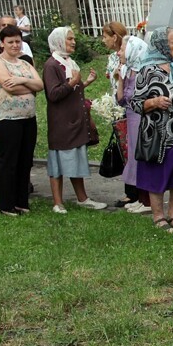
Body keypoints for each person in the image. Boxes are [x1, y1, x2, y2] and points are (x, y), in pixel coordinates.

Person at [129, 27, 173, 233]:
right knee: (157, 174)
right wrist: (155, 102)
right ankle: (158, 217)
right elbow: (135, 103)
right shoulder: (147, 70)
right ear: (161, 45)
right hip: (158, 133)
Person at [43, 26, 107, 214]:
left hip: (75, 120)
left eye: (73, 39)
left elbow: (72, 90)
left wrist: (85, 82)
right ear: (59, 41)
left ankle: (82, 198)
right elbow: (53, 94)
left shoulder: (68, 62)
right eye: (69, 39)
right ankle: (58, 202)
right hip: (61, 122)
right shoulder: (52, 65)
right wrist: (73, 82)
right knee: (58, 160)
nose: (73, 42)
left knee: (77, 158)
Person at [0, 24, 43, 216]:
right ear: (2, 43)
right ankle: (6, 204)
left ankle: (22, 201)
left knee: (25, 160)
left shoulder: (25, 63)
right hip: (7, 118)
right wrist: (28, 85)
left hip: (28, 117)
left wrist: (21, 80)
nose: (14, 45)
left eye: (18, 41)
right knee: (9, 161)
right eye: (10, 42)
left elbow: (40, 84)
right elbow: (8, 86)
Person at [101, 21, 137, 208]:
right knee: (125, 150)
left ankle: (134, 192)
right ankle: (130, 190)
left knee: (130, 149)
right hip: (118, 105)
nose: (103, 40)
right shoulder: (112, 58)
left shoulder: (127, 54)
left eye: (105, 37)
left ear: (114, 37)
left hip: (128, 107)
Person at [115, 35, 152, 214]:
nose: (119, 52)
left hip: (140, 119)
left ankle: (147, 201)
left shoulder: (142, 73)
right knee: (134, 157)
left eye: (122, 49)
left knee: (141, 156)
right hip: (131, 117)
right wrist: (120, 78)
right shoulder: (128, 71)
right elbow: (121, 100)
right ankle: (141, 197)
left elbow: (139, 99)